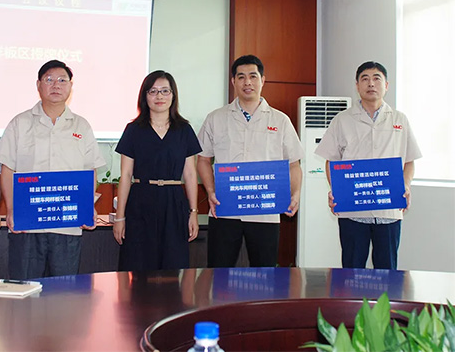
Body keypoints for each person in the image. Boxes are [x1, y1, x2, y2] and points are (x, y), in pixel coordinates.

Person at [0, 60, 105, 280]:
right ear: (38, 85)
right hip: (28, 223)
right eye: (49, 80)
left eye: (62, 80)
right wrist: (12, 208)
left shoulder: (81, 126)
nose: (56, 85)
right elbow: (7, 169)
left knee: (63, 288)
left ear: (70, 86)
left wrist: (86, 206)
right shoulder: (20, 123)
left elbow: (89, 171)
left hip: (67, 224)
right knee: (25, 286)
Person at [197, 55, 304, 268]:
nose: (247, 82)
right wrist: (210, 191)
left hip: (265, 211)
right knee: (218, 272)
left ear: (262, 80)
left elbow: (293, 164)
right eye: (241, 77)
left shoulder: (280, 120)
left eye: (253, 76)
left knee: (265, 273)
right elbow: (203, 159)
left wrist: (296, 194)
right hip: (225, 209)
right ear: (233, 81)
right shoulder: (216, 118)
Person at [315, 61, 422, 270]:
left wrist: (406, 185)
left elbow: (409, 161)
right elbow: (331, 160)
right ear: (357, 86)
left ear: (386, 85)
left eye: (376, 79)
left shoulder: (400, 119)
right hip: (353, 210)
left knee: (387, 270)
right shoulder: (342, 120)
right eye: (365, 79)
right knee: (351, 270)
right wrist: (337, 190)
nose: (371, 83)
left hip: (389, 209)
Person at [113, 70, 201, 270]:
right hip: (141, 202)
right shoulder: (133, 130)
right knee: (138, 264)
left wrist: (193, 212)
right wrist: (119, 217)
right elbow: (126, 175)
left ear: (173, 95)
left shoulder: (184, 130)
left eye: (164, 91)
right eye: (153, 91)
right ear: (144, 96)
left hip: (174, 203)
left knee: (173, 264)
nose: (159, 96)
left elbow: (190, 174)